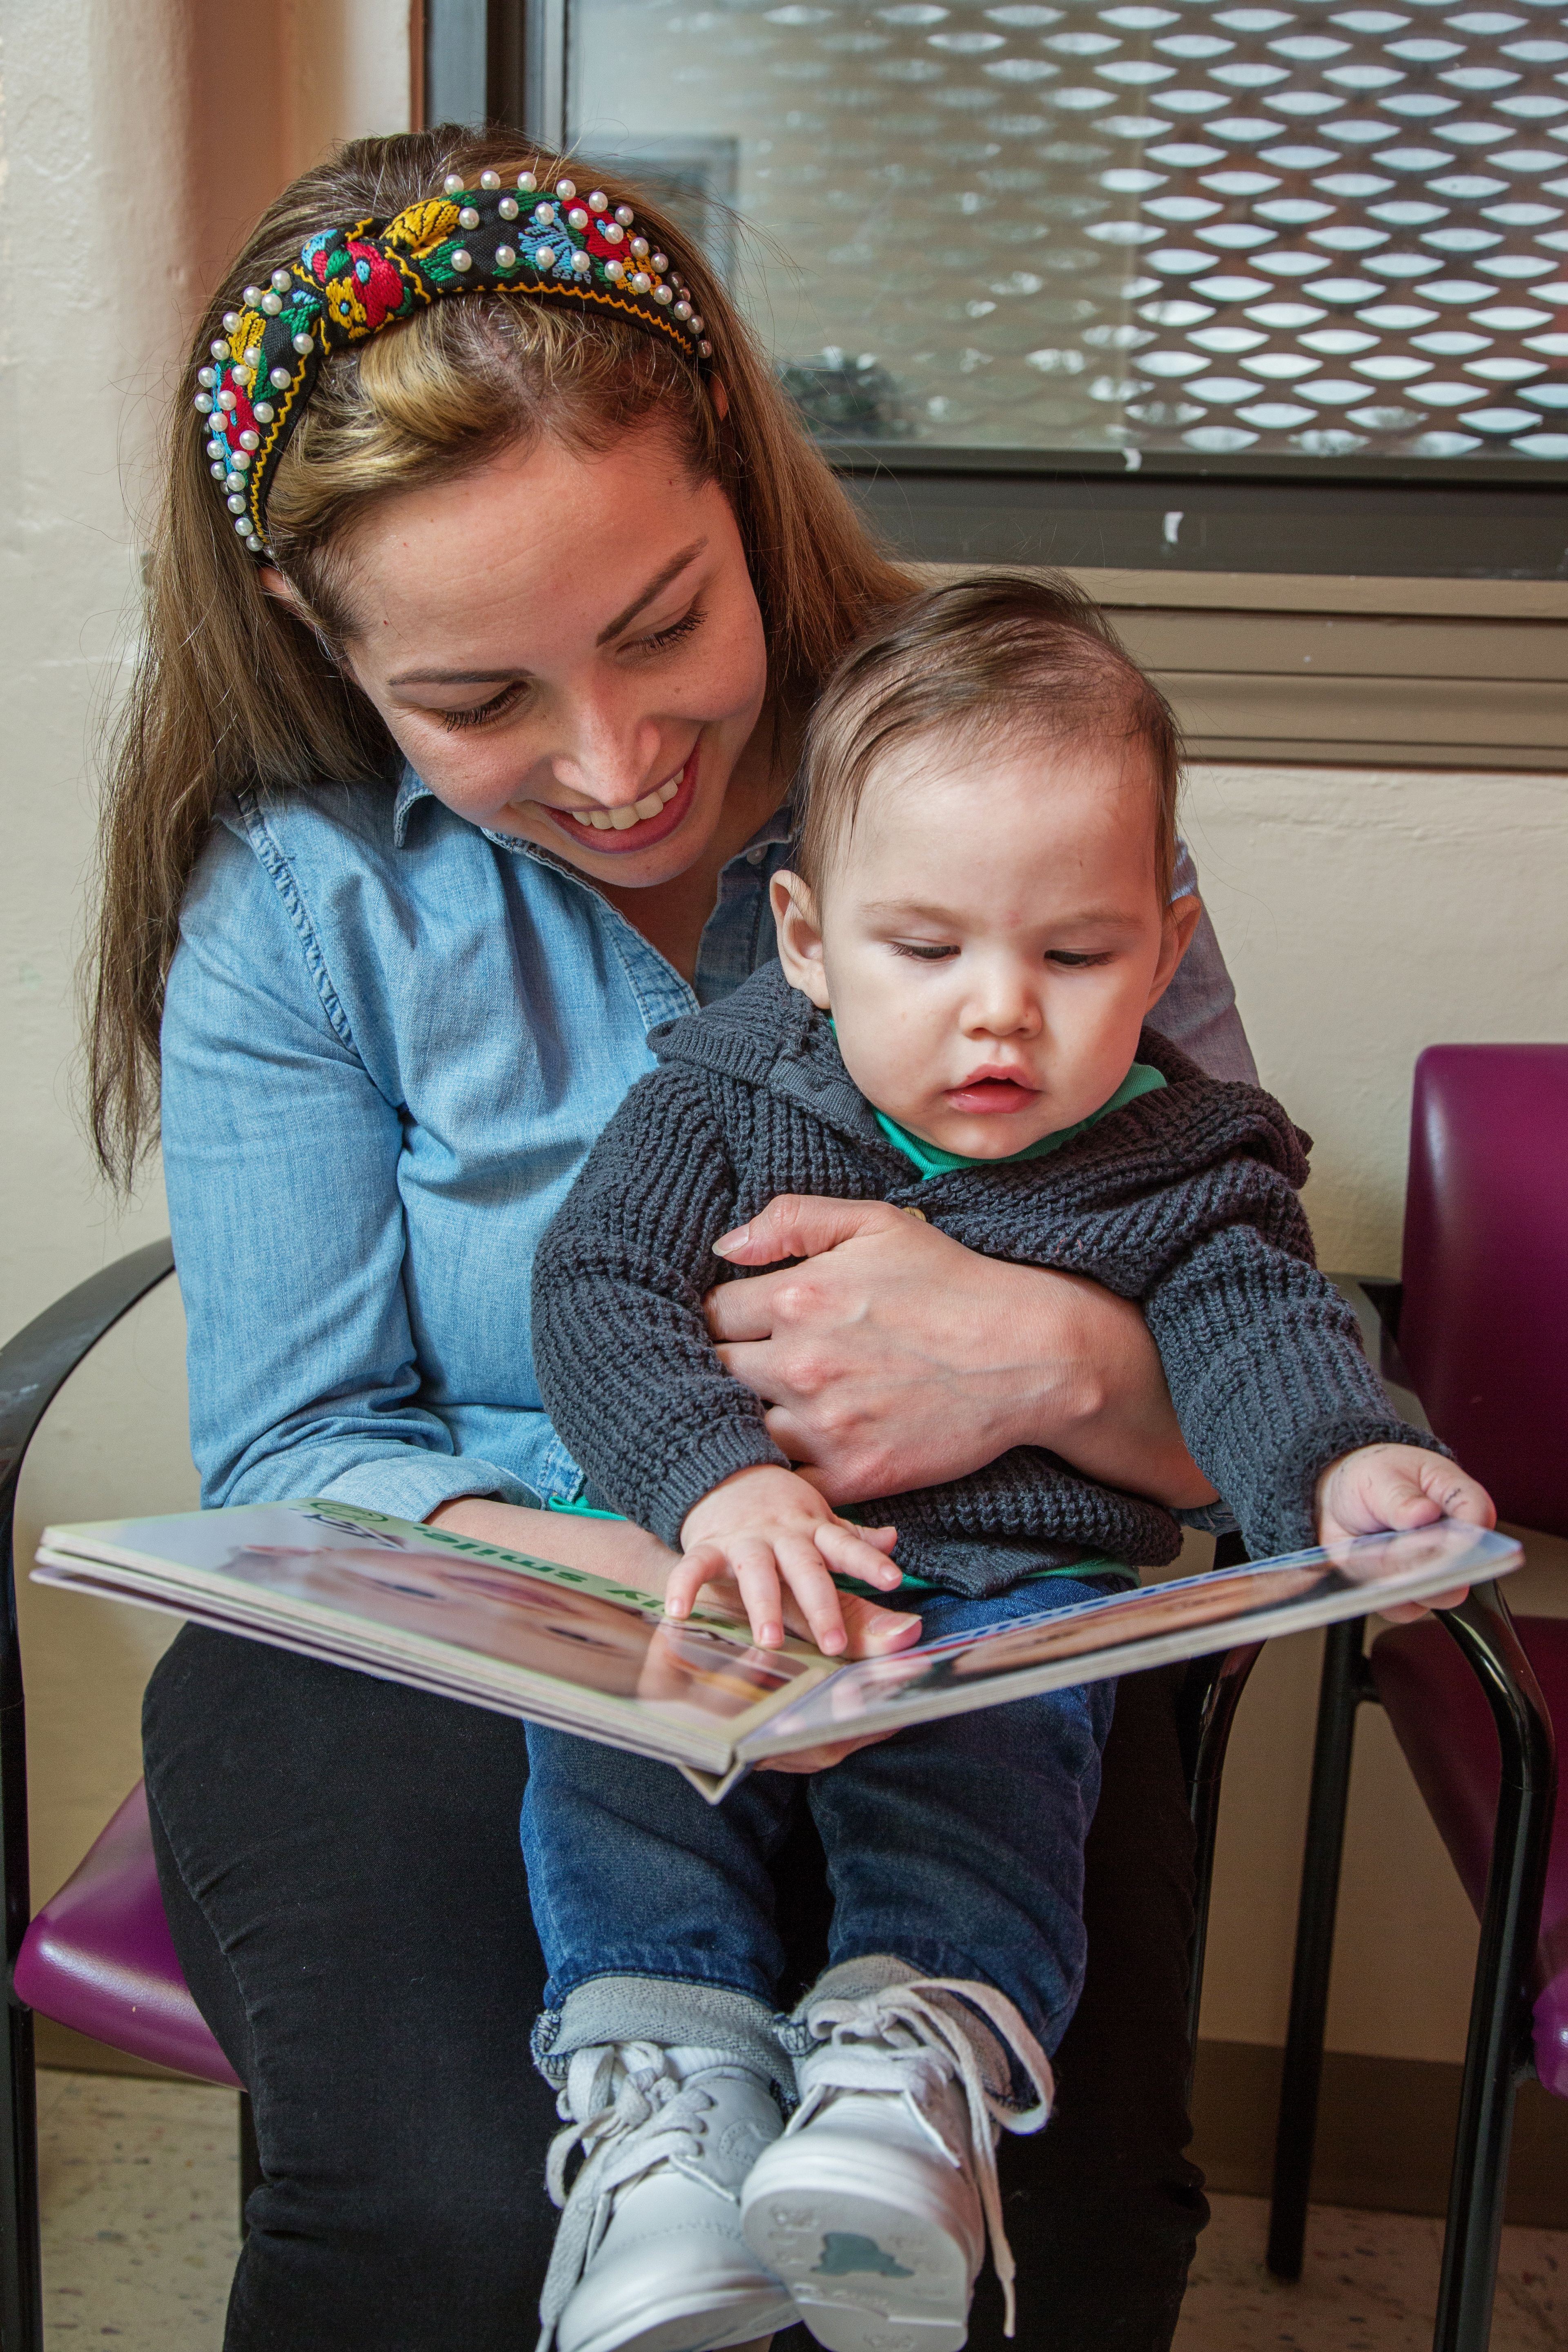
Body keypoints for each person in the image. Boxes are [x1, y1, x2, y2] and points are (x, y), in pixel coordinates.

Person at [85, 120, 1302, 2352]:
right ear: (314, 635)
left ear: (740, 475)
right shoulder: (298, 911)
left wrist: (1048, 1367)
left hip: (972, 1604)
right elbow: (290, 1452)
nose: (622, 757)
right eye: (478, 701)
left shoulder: (999, 768)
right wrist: (655, 1569)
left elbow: (1253, 1340)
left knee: (1038, 2227)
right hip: (443, 1631)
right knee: (459, 2219)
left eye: (663, 627)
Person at [523, 574, 1488, 2352]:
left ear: (1169, 938)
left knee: (995, 1784)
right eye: (927, 949)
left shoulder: (1187, 1164)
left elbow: (1268, 1341)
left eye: (1073, 955)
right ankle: (669, 2138)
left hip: (997, 1610)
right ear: (807, 940)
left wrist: (1352, 1465)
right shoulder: (723, 1091)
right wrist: (717, 1480)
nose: (999, 1018)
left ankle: (910, 2097)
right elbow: (594, 1290)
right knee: (619, 1775)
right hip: (732, 1579)